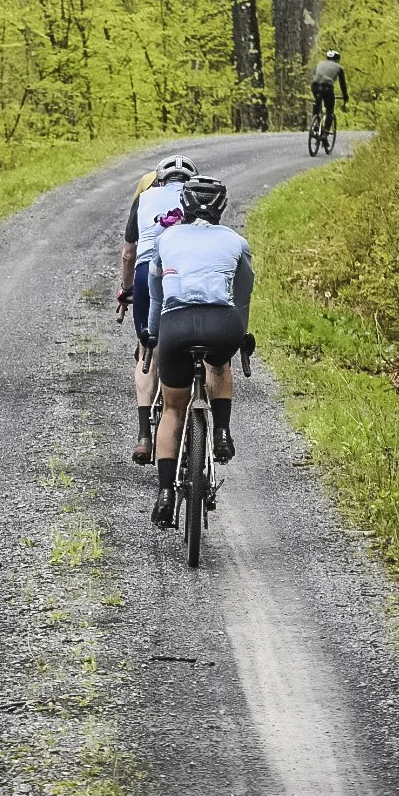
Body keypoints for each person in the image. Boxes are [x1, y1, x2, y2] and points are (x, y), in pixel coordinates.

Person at [143, 176, 255, 528]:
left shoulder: (167, 238)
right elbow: (242, 294)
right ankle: (221, 431)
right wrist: (243, 332)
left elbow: (157, 292)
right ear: (222, 207)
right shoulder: (236, 241)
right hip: (222, 324)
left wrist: (153, 332)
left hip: (176, 325)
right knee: (219, 366)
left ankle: (164, 493)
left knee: (173, 409)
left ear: (185, 206)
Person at [117, 154, 198, 466]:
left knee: (147, 346)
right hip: (185, 273)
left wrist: (126, 290)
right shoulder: (199, 198)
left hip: (146, 272)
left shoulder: (145, 198)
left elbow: (128, 253)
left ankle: (144, 436)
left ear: (159, 180)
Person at [311, 48, 349, 128]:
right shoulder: (339, 67)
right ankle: (325, 133)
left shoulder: (320, 63)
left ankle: (315, 123)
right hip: (327, 87)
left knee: (318, 103)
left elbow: (316, 75)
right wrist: (345, 96)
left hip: (315, 85)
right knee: (329, 110)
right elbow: (342, 84)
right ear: (337, 59)